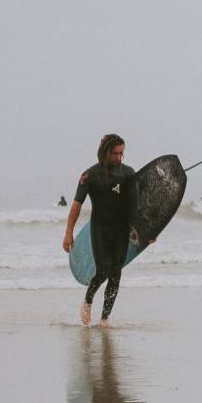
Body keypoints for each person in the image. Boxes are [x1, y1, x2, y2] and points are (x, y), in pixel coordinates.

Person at [62, 134, 137, 327]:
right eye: (115, 153)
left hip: (121, 230)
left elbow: (136, 206)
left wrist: (147, 231)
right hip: (100, 228)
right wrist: (68, 232)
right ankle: (88, 301)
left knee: (116, 273)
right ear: (105, 152)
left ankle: (105, 319)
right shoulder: (89, 175)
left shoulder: (128, 174)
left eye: (122, 153)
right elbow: (77, 205)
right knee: (103, 270)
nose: (119, 157)